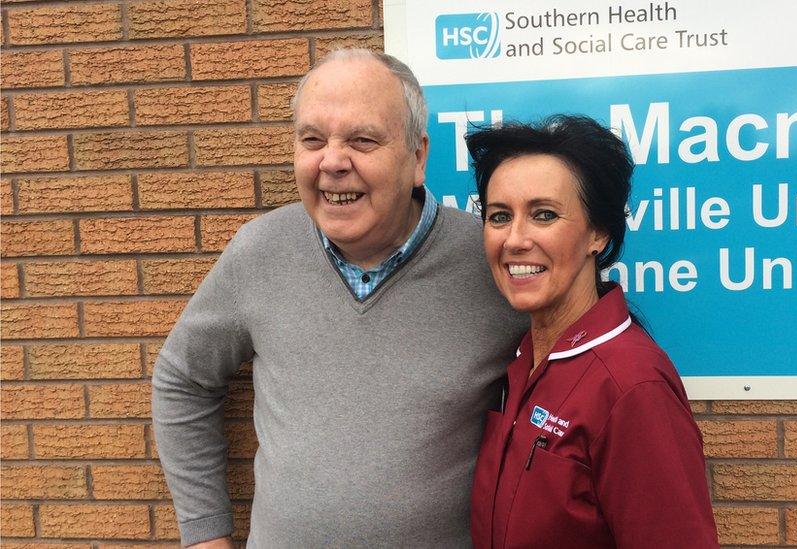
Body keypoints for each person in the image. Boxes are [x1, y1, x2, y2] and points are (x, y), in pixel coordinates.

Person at [151, 49, 524, 548]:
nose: (332, 162)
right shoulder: (260, 252)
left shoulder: (489, 265)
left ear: (417, 157)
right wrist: (204, 535)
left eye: (362, 140)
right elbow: (182, 380)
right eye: (312, 140)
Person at [466, 115, 719, 548]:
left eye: (544, 215)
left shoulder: (632, 386)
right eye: (499, 216)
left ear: (598, 232)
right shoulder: (517, 361)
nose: (515, 239)